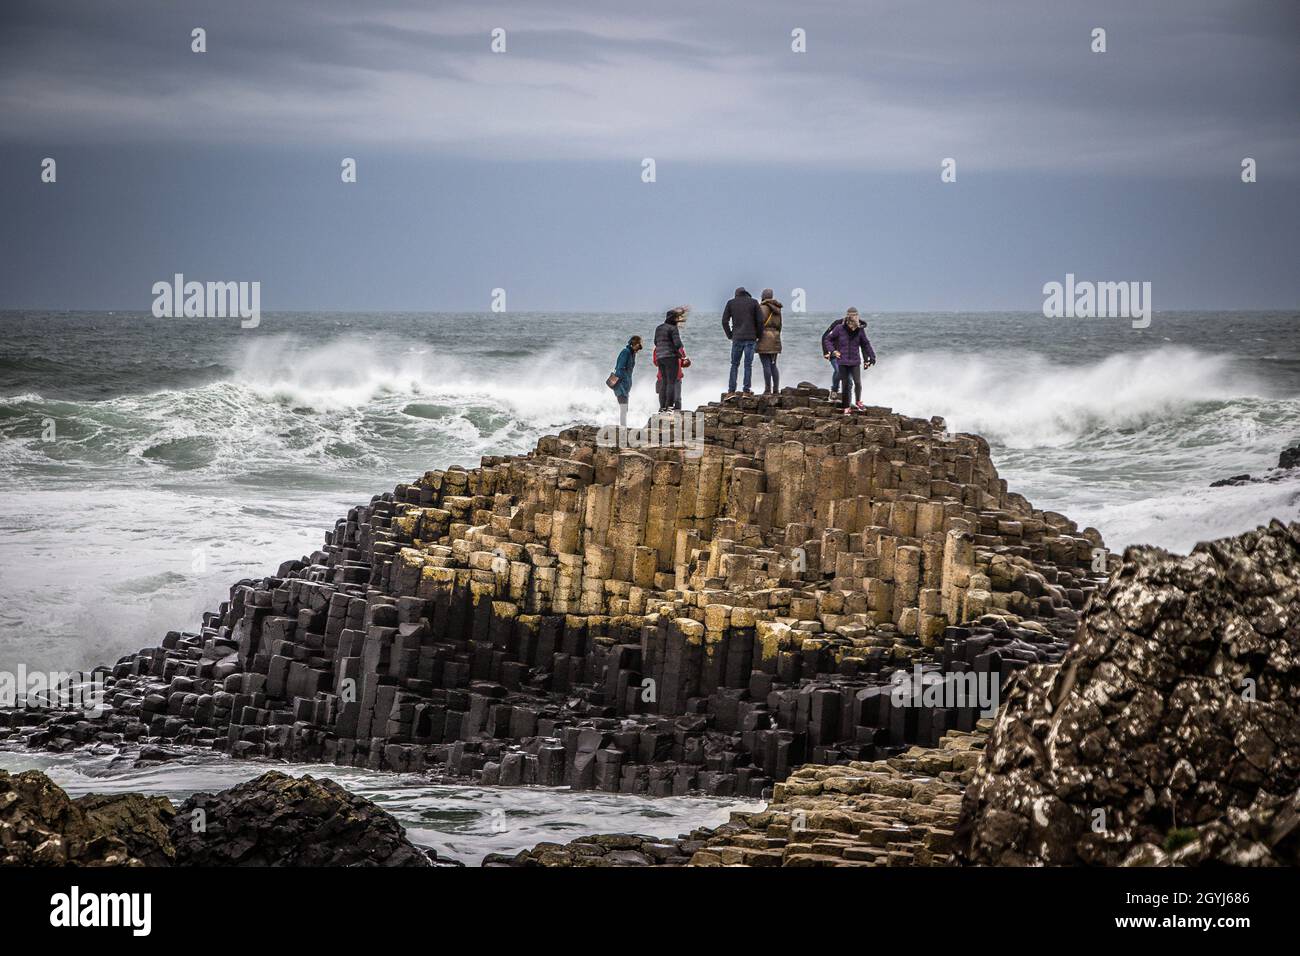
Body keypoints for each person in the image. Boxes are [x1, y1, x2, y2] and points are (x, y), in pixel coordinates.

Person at [822, 307, 876, 413]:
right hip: (839, 357)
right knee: (845, 381)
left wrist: (870, 358)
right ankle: (841, 399)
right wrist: (830, 351)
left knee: (856, 383)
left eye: (855, 315)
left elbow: (864, 344)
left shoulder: (860, 329)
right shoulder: (838, 326)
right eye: (851, 315)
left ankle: (854, 402)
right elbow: (826, 338)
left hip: (854, 361)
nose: (853, 317)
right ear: (847, 316)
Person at [721, 286, 763, 395]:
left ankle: (731, 391)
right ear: (746, 293)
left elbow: (724, 321)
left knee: (734, 364)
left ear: (736, 295)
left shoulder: (731, 303)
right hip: (751, 338)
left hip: (737, 337)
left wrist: (730, 335)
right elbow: (760, 321)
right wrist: (758, 335)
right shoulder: (754, 302)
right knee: (748, 365)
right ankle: (746, 391)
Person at [654, 306, 690, 412]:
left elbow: (655, 342)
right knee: (671, 382)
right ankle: (669, 407)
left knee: (664, 382)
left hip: (660, 357)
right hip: (670, 357)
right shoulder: (673, 328)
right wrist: (683, 356)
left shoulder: (658, 328)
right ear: (673, 319)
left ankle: (662, 407)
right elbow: (677, 344)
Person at [610, 335, 641, 426]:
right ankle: (623, 427)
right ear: (634, 344)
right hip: (620, 386)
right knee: (623, 408)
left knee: (624, 408)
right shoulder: (625, 352)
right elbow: (619, 369)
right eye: (639, 345)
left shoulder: (632, 353)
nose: (639, 348)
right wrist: (624, 385)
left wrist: (628, 384)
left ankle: (623, 426)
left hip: (625, 386)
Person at [757, 288, 783, 394]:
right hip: (775, 338)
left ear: (763, 296)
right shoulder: (778, 309)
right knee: (773, 365)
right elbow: (780, 326)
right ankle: (776, 389)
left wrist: (757, 336)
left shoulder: (761, 308)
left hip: (764, 338)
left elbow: (759, 324)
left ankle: (767, 389)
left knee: (766, 365)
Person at [821, 313, 845, 392]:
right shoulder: (837, 323)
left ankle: (847, 394)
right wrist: (825, 352)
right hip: (834, 353)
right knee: (838, 371)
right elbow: (825, 336)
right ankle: (835, 389)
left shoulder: (855, 325)